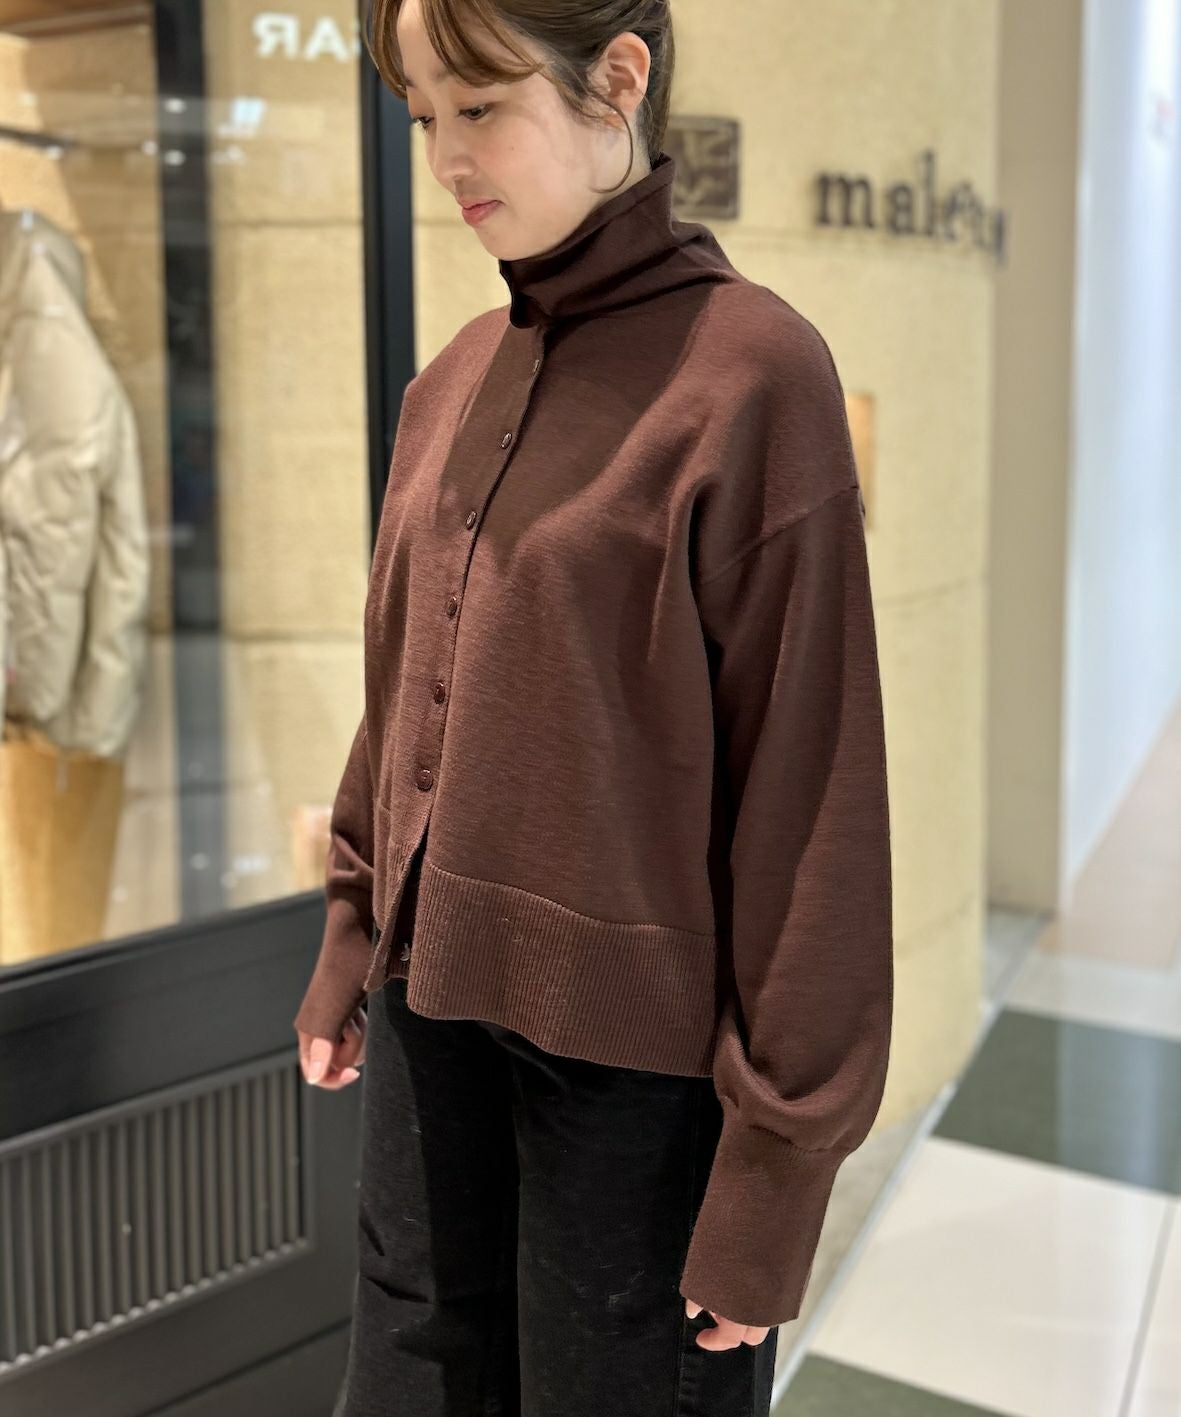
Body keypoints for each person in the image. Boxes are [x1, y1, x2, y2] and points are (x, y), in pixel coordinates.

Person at [295, 1, 894, 1413]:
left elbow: (811, 797)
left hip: (637, 1081)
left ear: (616, 78)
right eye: (421, 116)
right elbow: (402, 689)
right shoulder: (449, 384)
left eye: (479, 105)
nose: (446, 158)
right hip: (429, 1024)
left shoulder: (752, 375)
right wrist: (353, 923)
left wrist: (775, 1171)